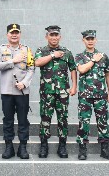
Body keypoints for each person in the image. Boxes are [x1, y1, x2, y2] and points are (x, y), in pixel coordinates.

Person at [34, 25, 77, 158]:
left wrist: (74, 86)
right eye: (51, 35)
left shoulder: (66, 52)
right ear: (46, 37)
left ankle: (62, 145)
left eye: (56, 35)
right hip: (46, 92)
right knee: (45, 118)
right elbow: (37, 62)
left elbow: (73, 69)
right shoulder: (41, 50)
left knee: (62, 118)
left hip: (63, 92)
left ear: (60, 37)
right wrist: (53, 55)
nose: (54, 37)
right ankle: (44, 145)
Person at [0, 23, 35, 159]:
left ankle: (23, 147)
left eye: (16, 32)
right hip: (7, 91)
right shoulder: (1, 49)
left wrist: (24, 83)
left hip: (22, 92)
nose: (14, 35)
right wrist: (13, 60)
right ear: (7, 35)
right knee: (8, 120)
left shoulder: (26, 50)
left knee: (23, 120)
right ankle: (9, 146)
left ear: (20, 34)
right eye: (12, 33)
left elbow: (31, 68)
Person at [75, 29, 109, 161]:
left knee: (103, 122)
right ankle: (82, 150)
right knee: (83, 122)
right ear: (83, 40)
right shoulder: (79, 56)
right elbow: (81, 69)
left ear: (96, 40)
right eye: (88, 39)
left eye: (92, 39)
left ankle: (104, 149)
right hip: (85, 95)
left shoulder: (104, 56)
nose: (90, 41)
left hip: (101, 95)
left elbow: (108, 74)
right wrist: (93, 60)